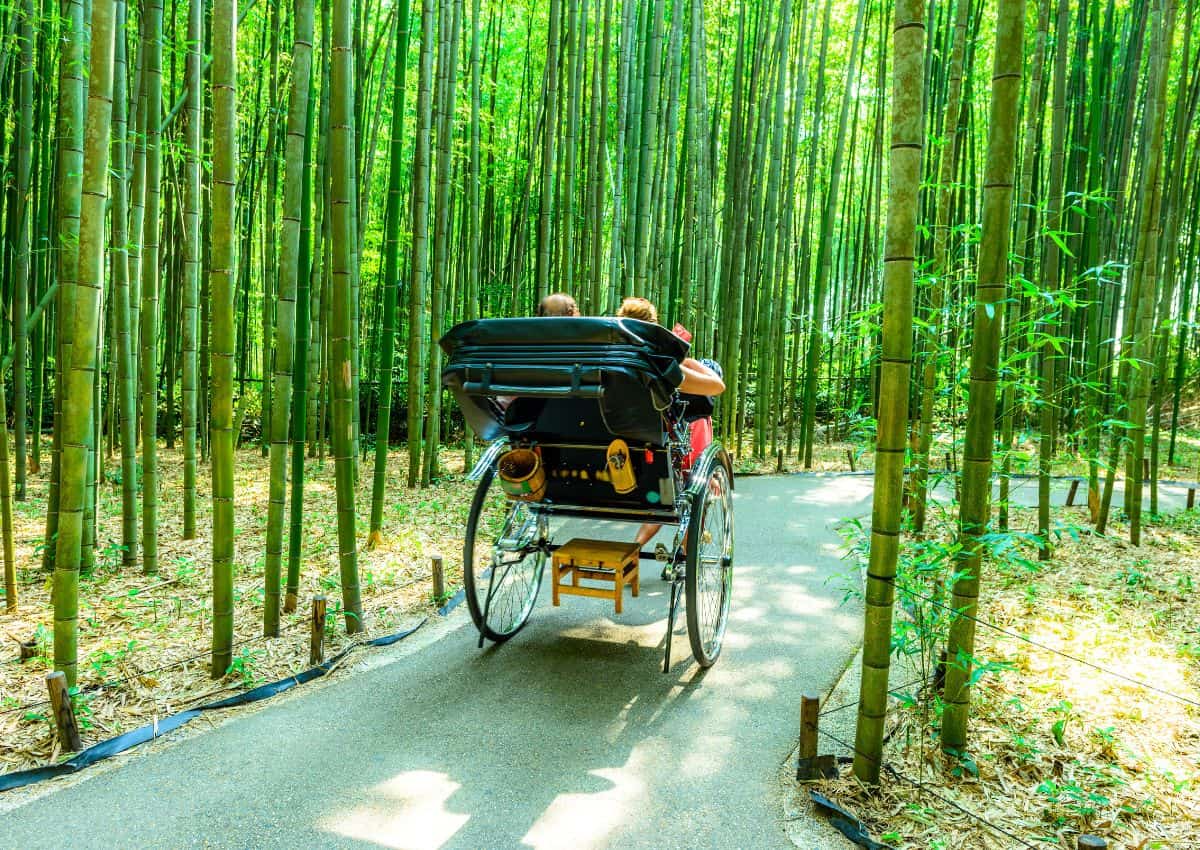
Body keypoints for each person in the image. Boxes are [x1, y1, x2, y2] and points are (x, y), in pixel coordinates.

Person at [615, 297, 725, 550]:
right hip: (653, 452)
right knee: (679, 493)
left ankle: (635, 549)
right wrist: (684, 360)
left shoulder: (604, 359)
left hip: (612, 448)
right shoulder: (660, 365)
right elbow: (717, 386)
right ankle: (686, 550)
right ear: (653, 328)